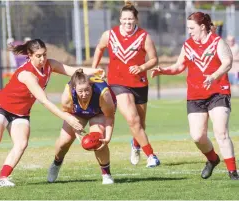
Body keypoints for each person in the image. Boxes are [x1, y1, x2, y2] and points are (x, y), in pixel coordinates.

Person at [0, 39, 105, 187]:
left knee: (21, 143)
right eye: (38, 56)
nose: (42, 59)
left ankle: (1, 177)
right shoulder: (27, 75)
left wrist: (95, 71)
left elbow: (73, 71)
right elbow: (45, 101)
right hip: (1, 107)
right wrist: (68, 118)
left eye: (44, 55)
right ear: (30, 55)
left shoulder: (49, 65)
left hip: (21, 112)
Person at [151, 12, 239, 180]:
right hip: (195, 95)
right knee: (198, 136)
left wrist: (213, 76)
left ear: (202, 27)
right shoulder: (188, 45)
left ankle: (233, 172)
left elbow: (227, 62)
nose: (189, 31)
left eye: (192, 28)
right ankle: (212, 159)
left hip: (218, 92)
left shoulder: (217, 42)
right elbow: (179, 66)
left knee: (221, 132)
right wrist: (163, 70)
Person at [92, 1, 160, 167]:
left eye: (131, 19)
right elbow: (100, 48)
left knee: (140, 123)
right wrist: (94, 68)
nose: (128, 22)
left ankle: (136, 144)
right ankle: (151, 155)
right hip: (117, 84)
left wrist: (142, 67)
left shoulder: (144, 37)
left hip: (139, 84)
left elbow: (154, 59)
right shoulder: (110, 34)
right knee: (132, 119)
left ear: (136, 19)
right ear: (120, 20)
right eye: (125, 19)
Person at [47, 69, 116, 184]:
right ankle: (56, 163)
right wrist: (76, 130)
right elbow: (66, 113)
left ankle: (106, 174)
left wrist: (108, 138)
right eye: (80, 91)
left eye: (87, 90)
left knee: (98, 138)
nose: (84, 94)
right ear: (74, 89)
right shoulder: (68, 94)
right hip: (75, 113)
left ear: (91, 85)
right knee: (64, 142)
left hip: (98, 112)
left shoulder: (103, 93)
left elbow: (109, 117)